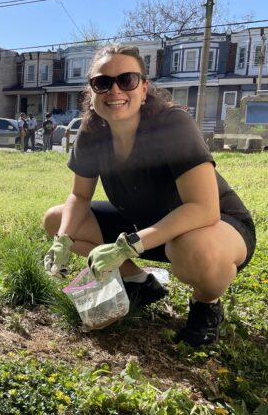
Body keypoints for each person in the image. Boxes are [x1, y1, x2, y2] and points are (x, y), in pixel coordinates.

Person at [43, 44, 255, 348]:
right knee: (56, 219)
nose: (114, 90)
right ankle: (141, 284)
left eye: (126, 80)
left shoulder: (172, 124)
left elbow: (203, 209)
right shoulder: (92, 132)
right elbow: (79, 195)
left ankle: (206, 305)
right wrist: (62, 240)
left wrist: (128, 246)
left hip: (216, 226)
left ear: (144, 88)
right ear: (92, 92)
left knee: (193, 247)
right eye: (102, 82)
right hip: (144, 226)